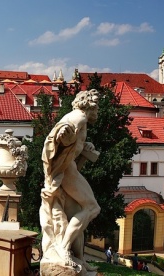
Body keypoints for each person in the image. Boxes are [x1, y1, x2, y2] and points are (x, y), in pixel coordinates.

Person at [39, 89, 101, 272]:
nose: (98, 111)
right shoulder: (78, 118)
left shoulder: (79, 119)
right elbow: (57, 139)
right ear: (89, 106)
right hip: (66, 173)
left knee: (76, 212)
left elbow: (71, 145)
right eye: (97, 107)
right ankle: (64, 249)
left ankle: (79, 257)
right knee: (92, 208)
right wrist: (64, 137)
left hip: (68, 170)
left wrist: (83, 146)